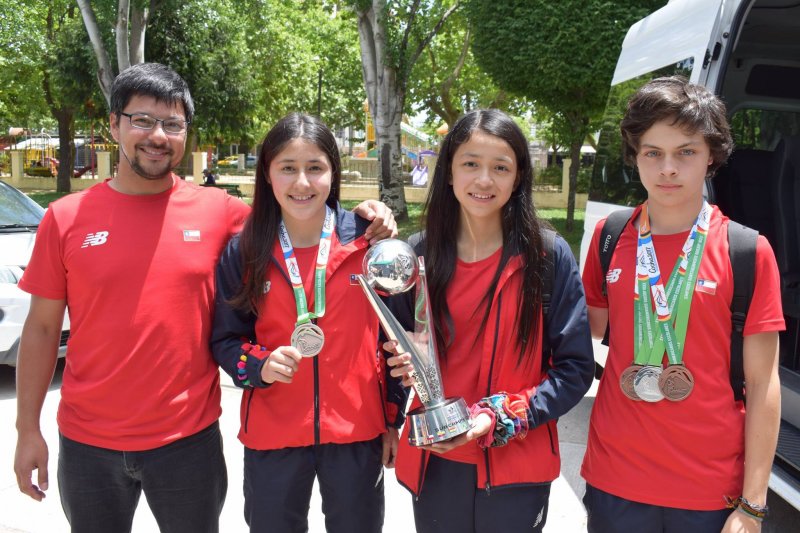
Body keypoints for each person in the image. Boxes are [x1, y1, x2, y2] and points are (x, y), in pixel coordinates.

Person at [13, 63, 396, 533]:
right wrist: (27, 429)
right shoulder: (65, 217)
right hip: (88, 442)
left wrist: (372, 216)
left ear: (186, 134)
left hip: (186, 441)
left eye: (172, 124)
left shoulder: (224, 215)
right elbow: (43, 328)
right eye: (142, 120)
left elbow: (302, 212)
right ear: (114, 125)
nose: (157, 135)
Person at [580, 77, 783, 533]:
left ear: (711, 156)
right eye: (653, 152)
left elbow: (762, 381)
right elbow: (582, 329)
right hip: (617, 481)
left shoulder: (746, 251)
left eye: (685, 152)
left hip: (709, 489)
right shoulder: (610, 237)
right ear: (635, 156)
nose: (667, 168)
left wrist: (752, 504)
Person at [385, 108, 595, 533]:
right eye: (470, 164)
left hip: (517, 464)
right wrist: (393, 396)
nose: (484, 180)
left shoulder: (548, 258)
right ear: (448, 173)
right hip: (437, 460)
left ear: (518, 177)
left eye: (500, 167)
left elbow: (574, 370)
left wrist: (500, 419)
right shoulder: (414, 257)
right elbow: (386, 352)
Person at [210, 112, 407, 533]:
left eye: (315, 168)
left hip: (358, 431)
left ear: (333, 173)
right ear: (267, 174)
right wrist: (259, 365)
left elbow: (395, 344)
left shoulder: (368, 241)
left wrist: (393, 419)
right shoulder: (245, 250)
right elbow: (225, 340)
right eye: (287, 168)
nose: (302, 183)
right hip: (272, 435)